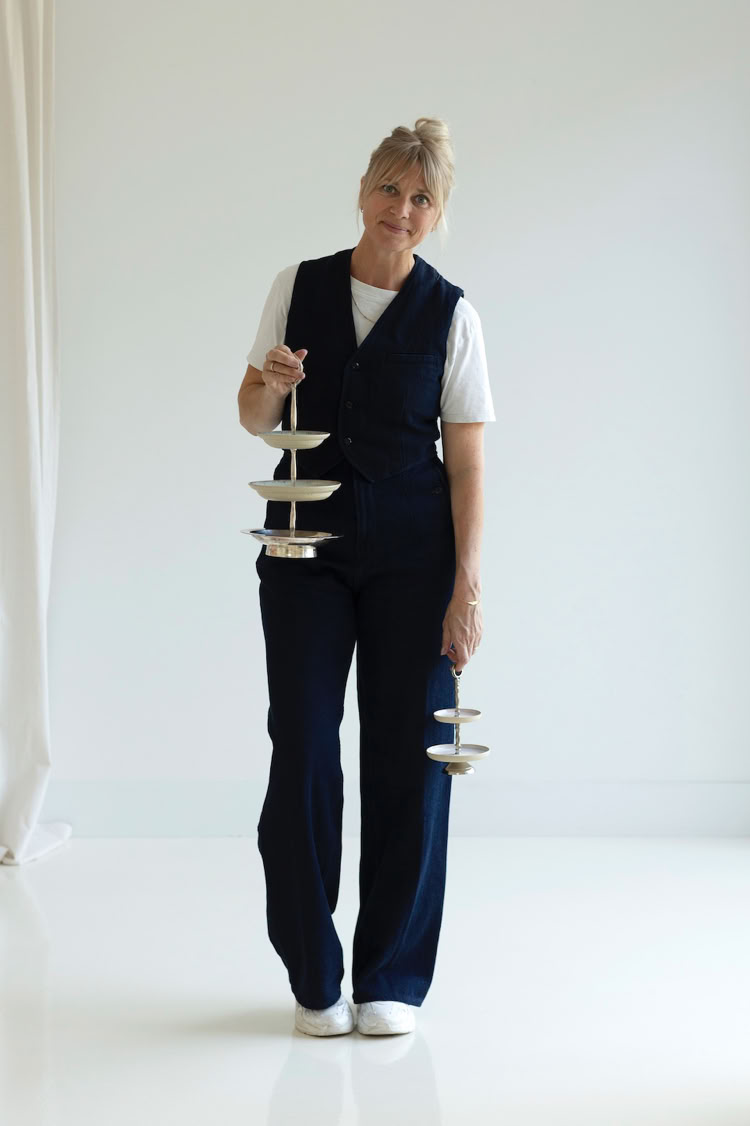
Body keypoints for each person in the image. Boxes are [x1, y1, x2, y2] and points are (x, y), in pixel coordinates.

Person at [237, 117, 495, 1037]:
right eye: (390, 188)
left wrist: (466, 586)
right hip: (304, 552)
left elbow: (467, 464)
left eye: (422, 197)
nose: (402, 208)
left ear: (438, 214)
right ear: (362, 190)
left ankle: (390, 976)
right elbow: (252, 414)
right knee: (304, 747)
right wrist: (274, 381)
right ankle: (314, 973)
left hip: (416, 559)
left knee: (410, 758)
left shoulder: (453, 315)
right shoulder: (297, 286)